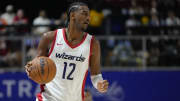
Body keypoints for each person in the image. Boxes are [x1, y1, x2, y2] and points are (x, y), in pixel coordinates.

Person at [25, 2, 109, 101]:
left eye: (89, 15)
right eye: (84, 13)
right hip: (48, 98)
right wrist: (30, 69)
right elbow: (36, 64)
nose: (88, 18)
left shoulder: (93, 43)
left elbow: (96, 75)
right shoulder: (49, 38)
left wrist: (99, 84)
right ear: (73, 15)